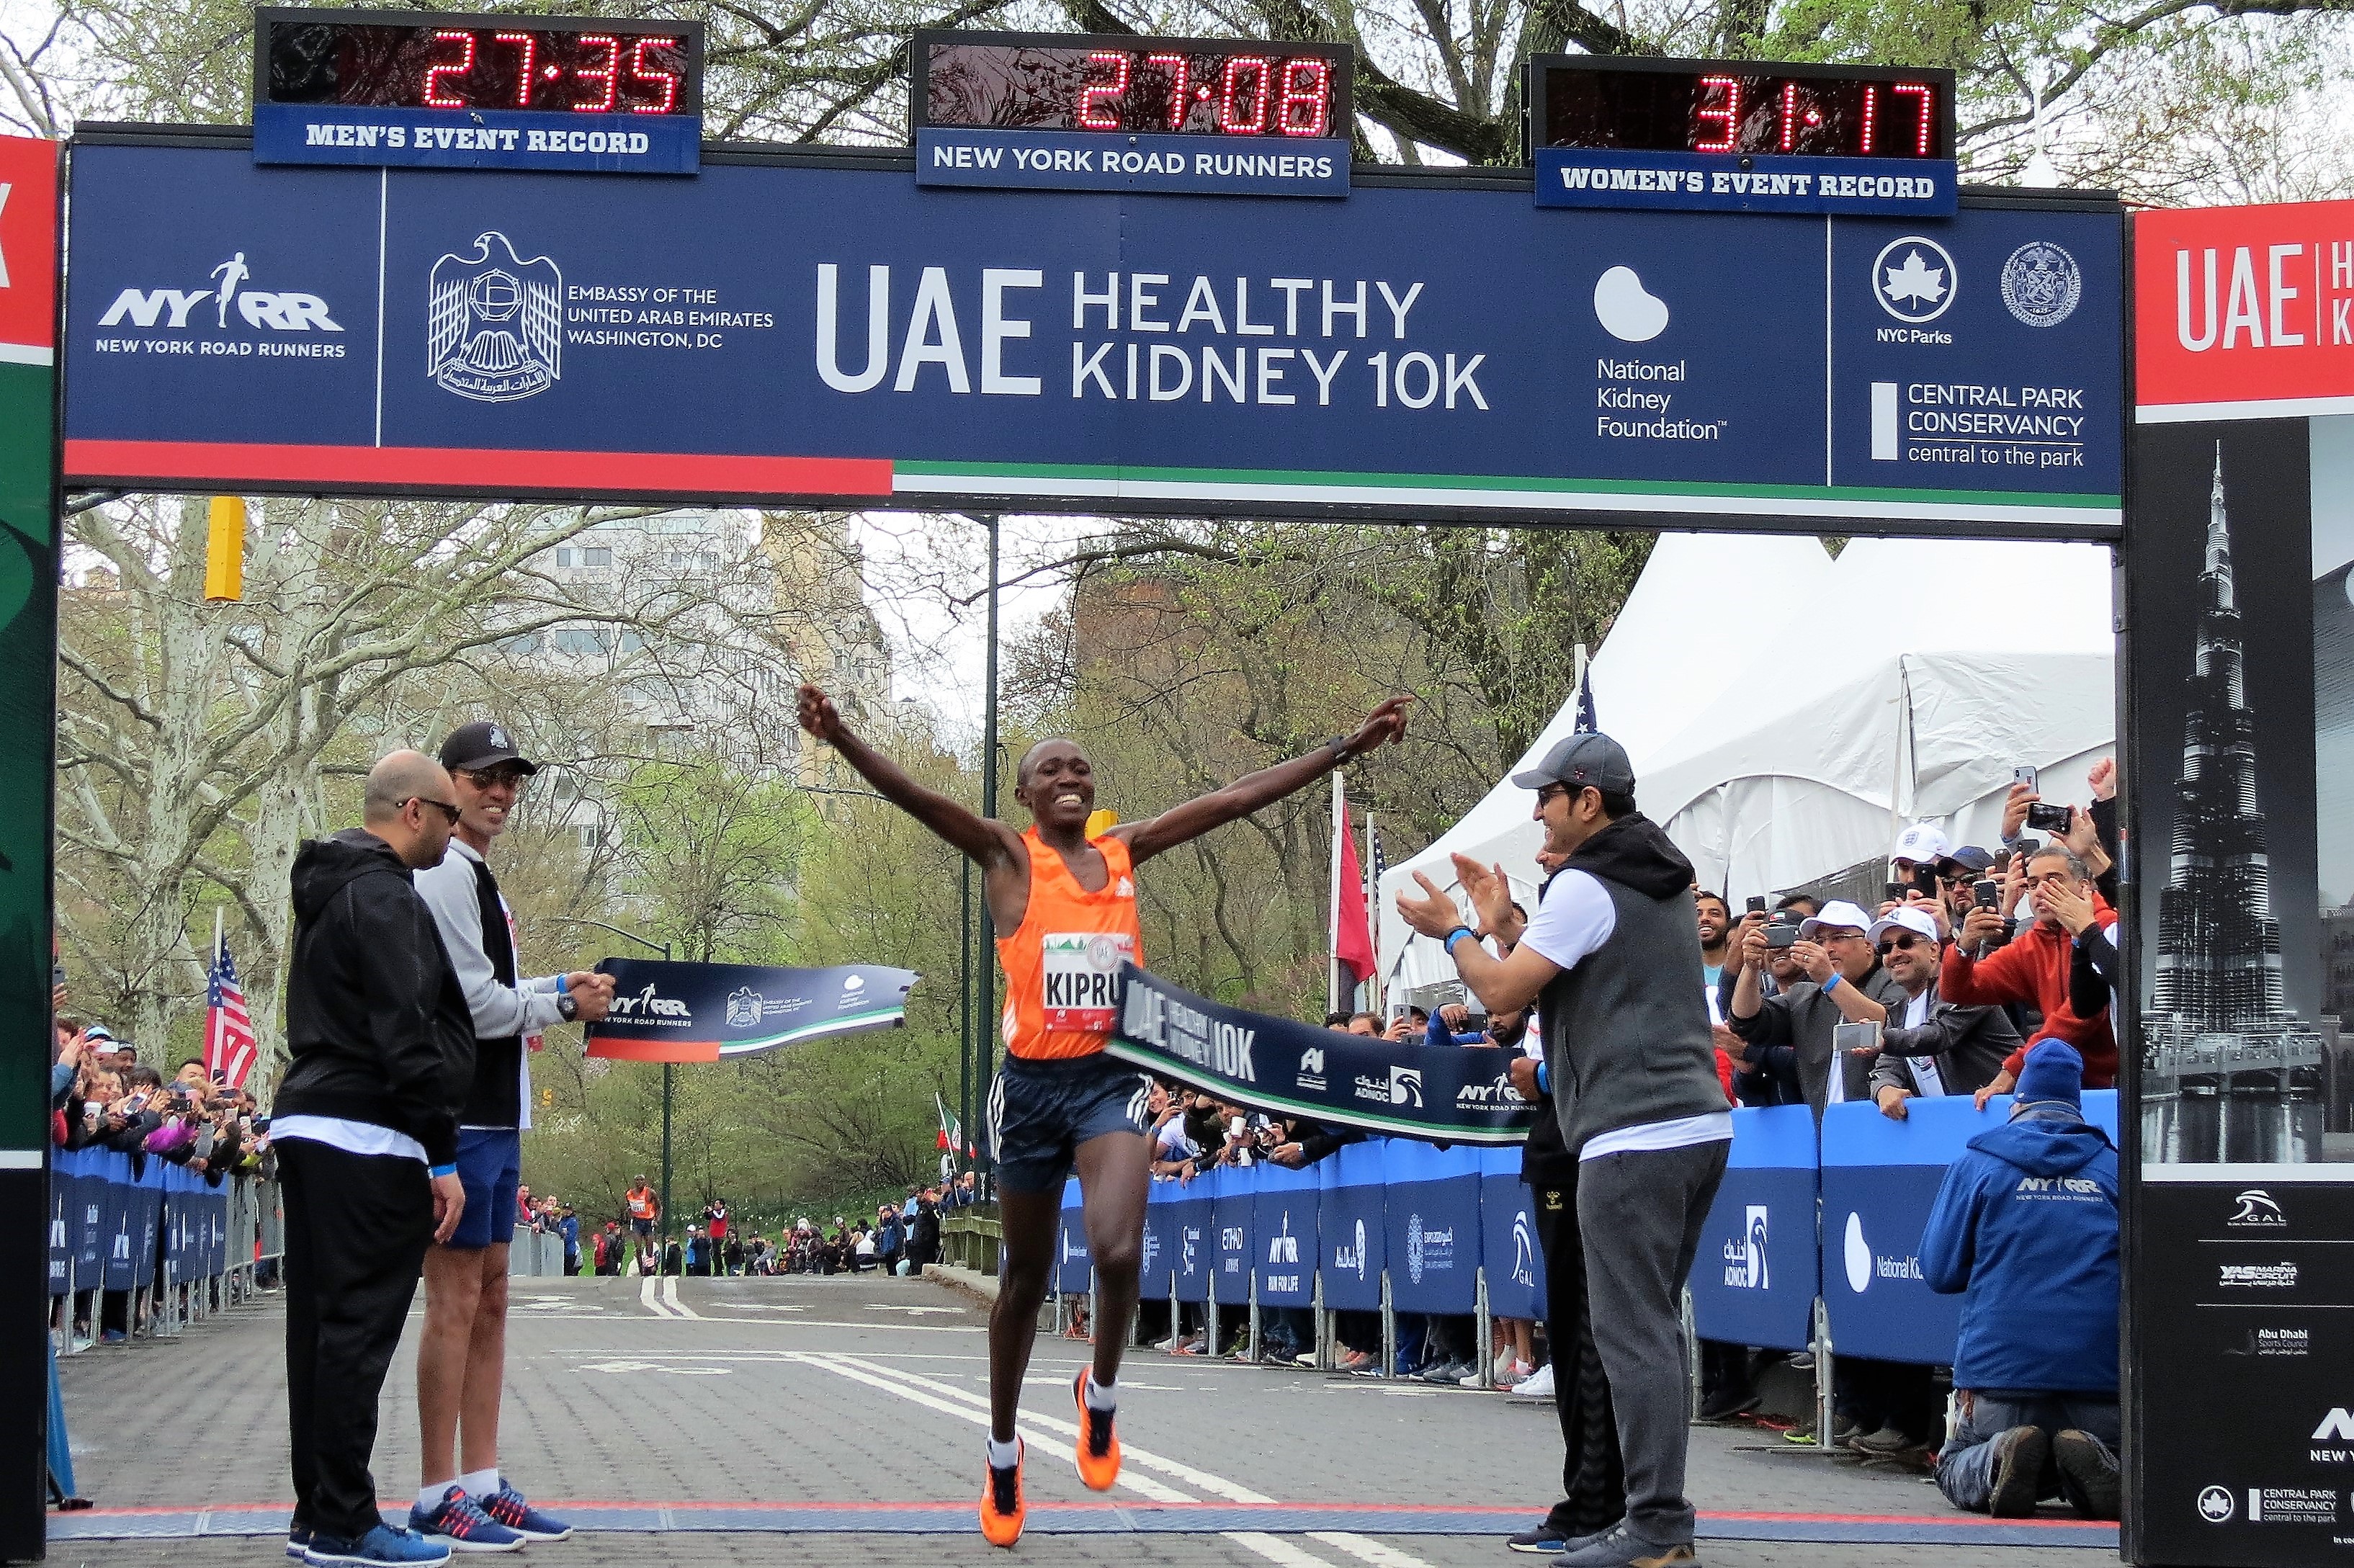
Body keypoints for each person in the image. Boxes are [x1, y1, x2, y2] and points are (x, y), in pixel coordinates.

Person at [798, 681, 1408, 1546]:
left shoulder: (1123, 851)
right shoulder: (1007, 857)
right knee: (1023, 1277)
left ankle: (1102, 1394)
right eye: (1051, 768)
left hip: (1111, 1077)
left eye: (1080, 765)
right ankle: (1003, 1448)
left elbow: (1233, 799)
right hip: (1030, 1089)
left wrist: (1342, 748)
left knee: (1120, 1246)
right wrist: (844, 735)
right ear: (1025, 794)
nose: (1069, 776)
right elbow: (915, 798)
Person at [1397, 730, 1729, 1568]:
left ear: (1588, 800)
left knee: (1632, 1333)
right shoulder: (1655, 870)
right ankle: (1647, 1517)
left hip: (1632, 1129)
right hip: (1694, 1121)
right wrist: (1503, 921)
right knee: (1649, 1326)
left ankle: (1656, 1525)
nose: (1537, 809)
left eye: (1546, 795)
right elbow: (1579, 970)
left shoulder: (1587, 880)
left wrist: (1451, 933)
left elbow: (1505, 994)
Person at [408, 721, 610, 1551]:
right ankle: (432, 1490)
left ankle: (483, 1481)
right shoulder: (445, 875)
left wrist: (563, 986)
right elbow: (473, 1004)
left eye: (510, 779)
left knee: (492, 1297)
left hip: (496, 1109)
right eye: (482, 777)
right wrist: (562, 998)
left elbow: (492, 992)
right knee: (453, 1302)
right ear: (445, 785)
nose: (499, 792)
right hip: (457, 1113)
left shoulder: (479, 877)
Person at [273, 751, 474, 1567]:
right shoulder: (386, 895)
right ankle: (349, 1521)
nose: (456, 832)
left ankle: (319, 1511)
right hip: (371, 1131)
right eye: (451, 815)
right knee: (358, 1330)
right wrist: (441, 1151)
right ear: (415, 811)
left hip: (311, 1119)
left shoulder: (326, 889)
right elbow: (407, 1033)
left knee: (318, 1330)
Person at [1922, 1041, 2120, 1520]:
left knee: (1952, 1463)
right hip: (2100, 1380)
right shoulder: (2117, 1168)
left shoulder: (1977, 1164)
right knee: (2122, 1455)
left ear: (2019, 1099)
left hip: (1999, 1377)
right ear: (2077, 1101)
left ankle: (1997, 1456)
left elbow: (1940, 1270)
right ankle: (2105, 1465)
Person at [1947, 846, 2118, 1106]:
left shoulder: (2108, 924)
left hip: (2115, 1088)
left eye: (2053, 880)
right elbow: (1959, 991)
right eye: (2033, 883)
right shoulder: (2031, 943)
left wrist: (2015, 1067)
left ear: (2084, 886)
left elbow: (2083, 1014)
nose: (2040, 891)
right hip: (2061, 1089)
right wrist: (1964, 946)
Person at [1727, 900, 1905, 1116]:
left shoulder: (1892, 979)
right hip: (1828, 1130)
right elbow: (1746, 1022)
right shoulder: (1806, 994)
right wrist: (1751, 967)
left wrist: (1829, 980)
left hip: (1887, 1121)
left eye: (1839, 938)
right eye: (1820, 940)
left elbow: (1882, 1028)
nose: (1828, 949)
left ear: (1868, 945)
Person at [1865, 906, 2023, 1119]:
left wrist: (1882, 1038)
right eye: (1885, 947)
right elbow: (1887, 1067)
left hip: (2007, 1118)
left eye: (1906, 943)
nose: (1895, 954)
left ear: (1933, 950)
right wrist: (1884, 1088)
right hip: (1954, 1128)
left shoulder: (1966, 989)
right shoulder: (1899, 1012)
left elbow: (1938, 1035)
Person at [625, 1178, 659, 1271]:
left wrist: (656, 1219)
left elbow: (659, 1207)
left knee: (649, 1246)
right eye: (637, 1180)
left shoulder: (650, 1193)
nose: (639, 1182)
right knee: (638, 1247)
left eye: (641, 1180)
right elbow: (629, 1206)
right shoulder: (629, 1194)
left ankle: (650, 1267)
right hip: (637, 1222)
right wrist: (629, 1213)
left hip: (648, 1222)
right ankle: (641, 1269)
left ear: (645, 1182)